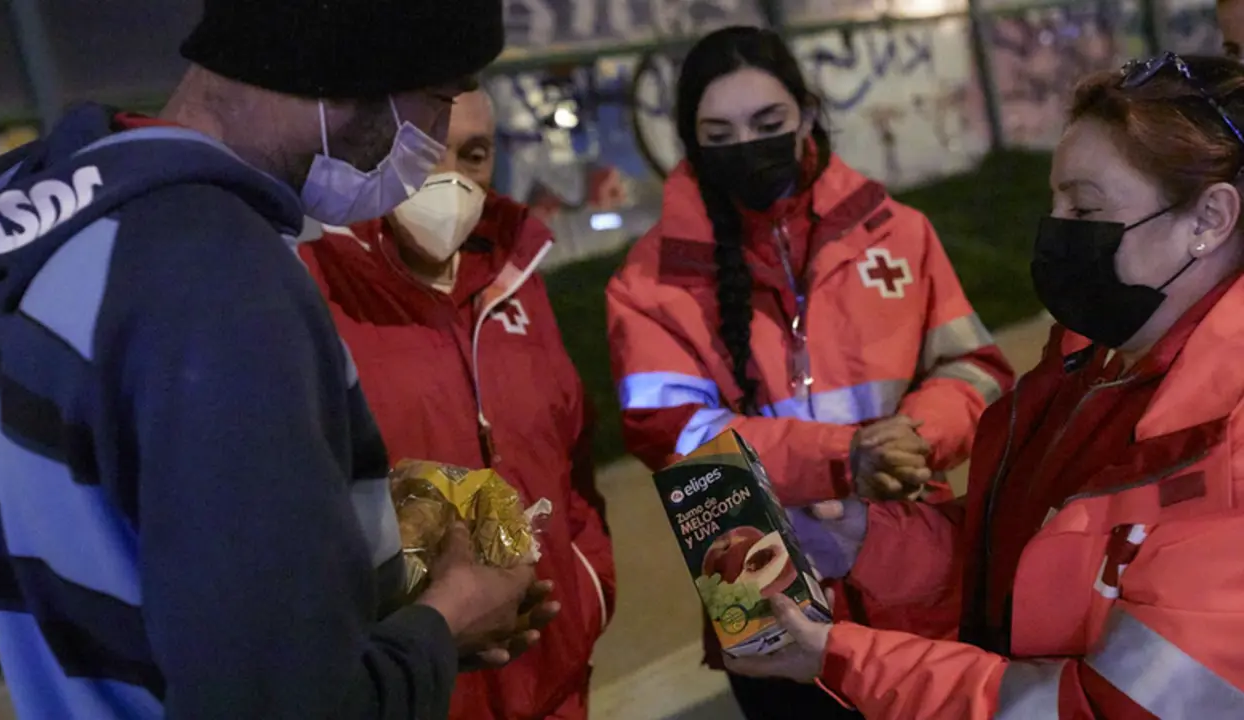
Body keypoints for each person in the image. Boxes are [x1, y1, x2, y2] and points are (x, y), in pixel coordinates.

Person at [0, 1, 555, 718]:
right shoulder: (219, 283)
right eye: (437, 99)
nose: (430, 145)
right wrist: (448, 620)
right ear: (344, 75)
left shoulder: (44, 214)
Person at [725, 52, 1244, 718]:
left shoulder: (1223, 449)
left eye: (1084, 207)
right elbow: (1020, 559)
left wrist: (841, 658)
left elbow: (1094, 708)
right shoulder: (1094, 364)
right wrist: (870, 539)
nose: (1054, 231)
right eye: (1054, 200)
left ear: (1209, 219)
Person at [605, 25, 1014, 720]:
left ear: (809, 114)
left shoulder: (897, 231)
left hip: (914, 573)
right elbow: (675, 436)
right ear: (691, 140)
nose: (749, 146)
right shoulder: (649, 284)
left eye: (768, 123)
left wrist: (913, 438)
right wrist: (842, 459)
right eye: (720, 132)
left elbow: (974, 368)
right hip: (762, 602)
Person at [300, 88, 616, 720]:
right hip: (420, 693)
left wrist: (588, 586)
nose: (448, 178)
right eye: (423, 149)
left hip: (553, 684)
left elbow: (572, 459)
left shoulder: (515, 276)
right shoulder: (315, 288)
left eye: (474, 154)